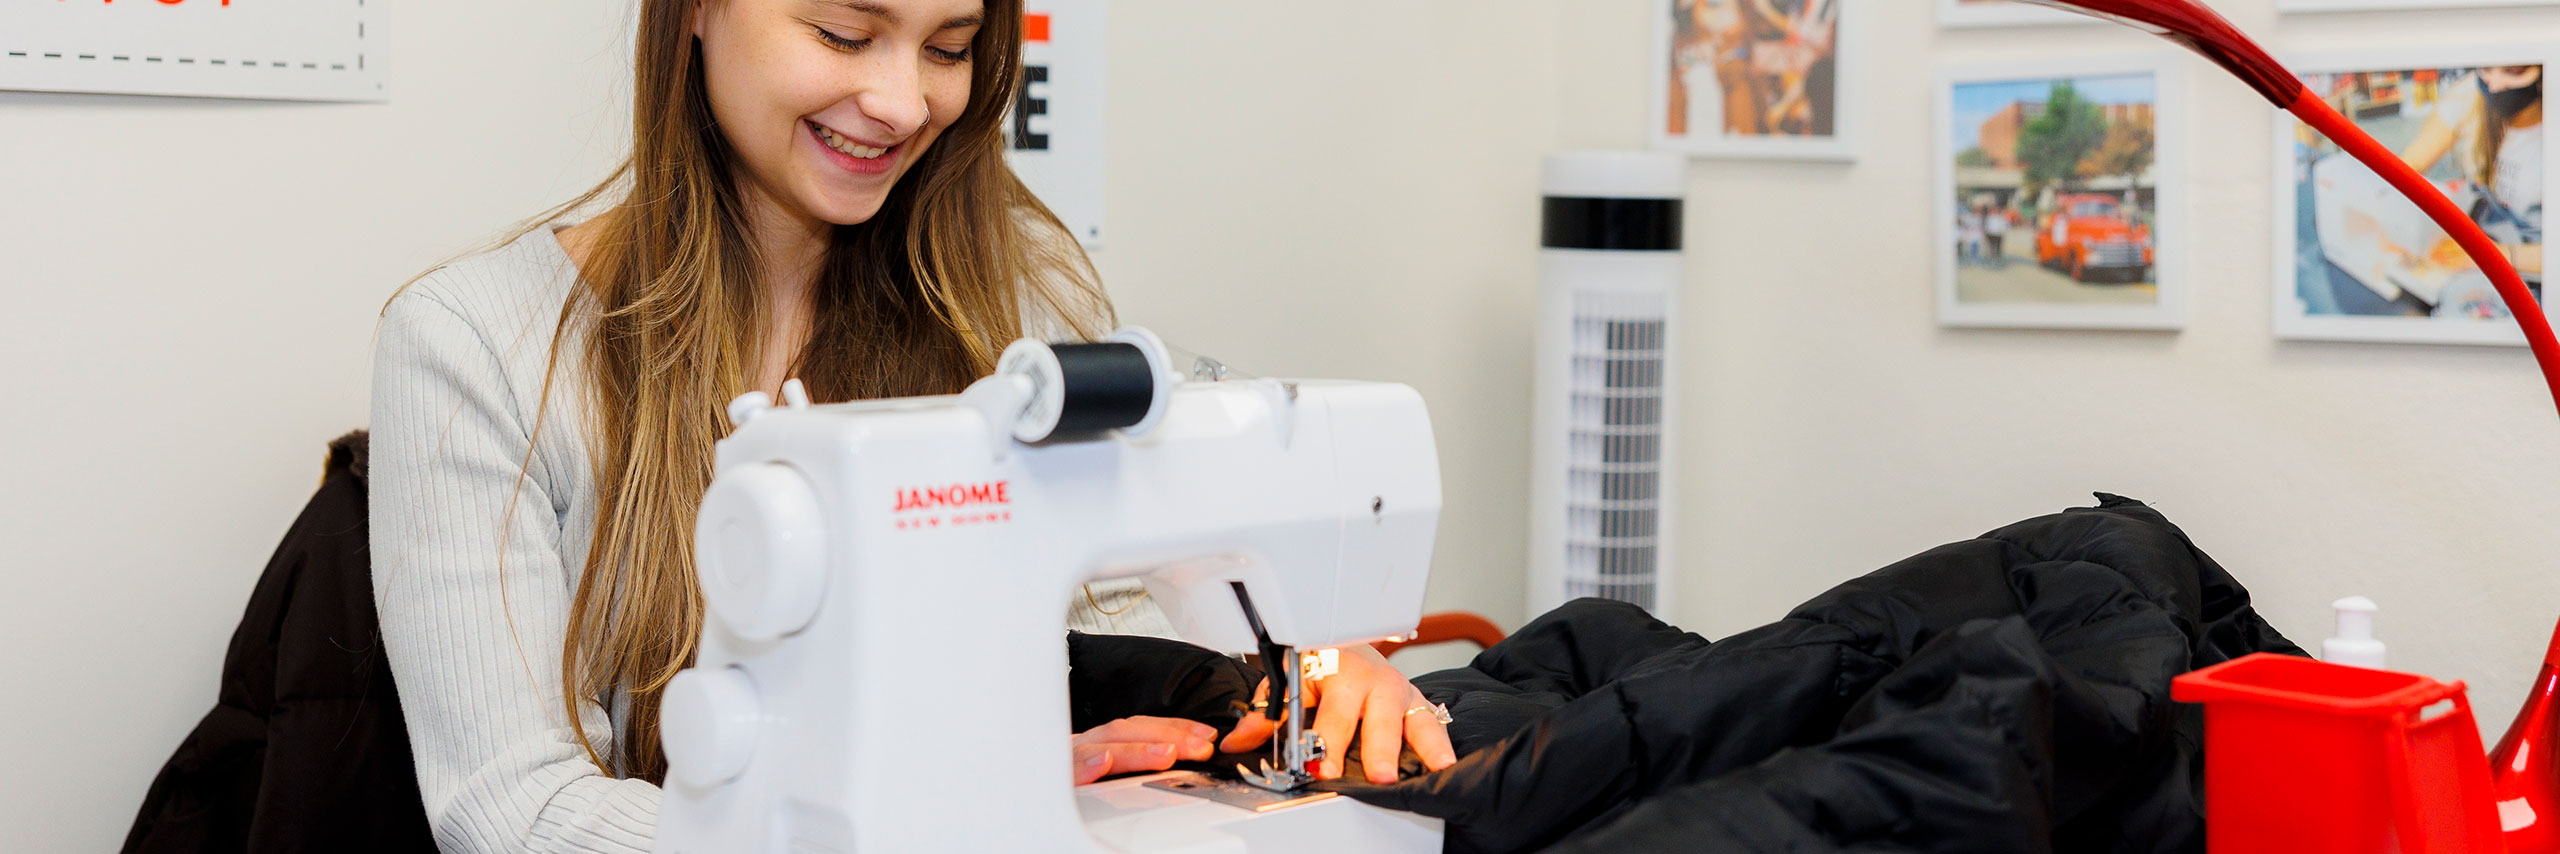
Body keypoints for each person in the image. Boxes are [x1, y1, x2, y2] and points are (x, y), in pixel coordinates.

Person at [367, 2, 1452, 851]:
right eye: (845, 32)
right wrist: (901, 825)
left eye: (949, 47)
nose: (899, 101)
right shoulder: (474, 346)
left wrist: (1309, 662)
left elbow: (1122, 601)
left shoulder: (1013, 303)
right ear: (696, 8)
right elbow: (513, 810)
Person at [2401, 65, 2543, 277]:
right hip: (2486, 248)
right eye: (2487, 69)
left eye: (2515, 71)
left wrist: (2493, 255)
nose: (2495, 84)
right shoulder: (2470, 96)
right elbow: (2409, 165)